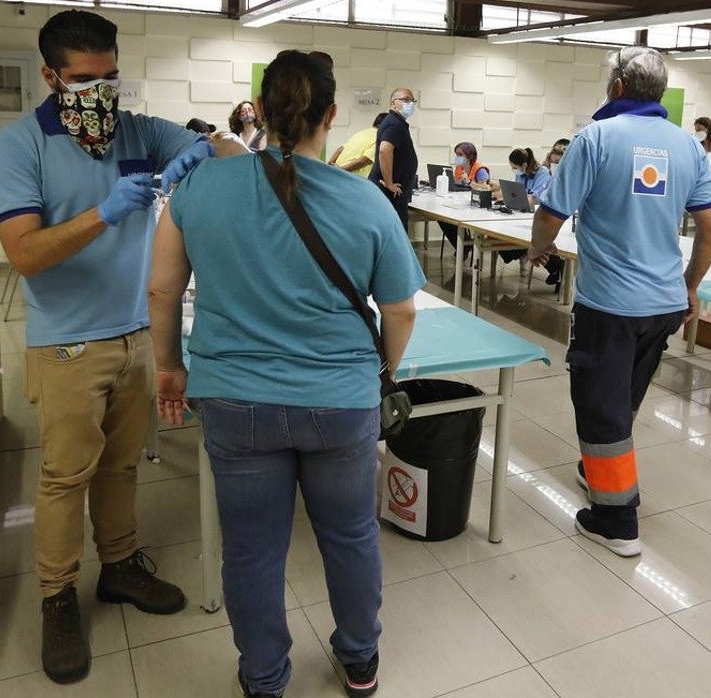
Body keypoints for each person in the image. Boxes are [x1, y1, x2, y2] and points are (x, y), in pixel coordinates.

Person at [148, 50, 425, 698]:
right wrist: (378, 371)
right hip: (339, 405)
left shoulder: (197, 190)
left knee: (250, 550)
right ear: (330, 115)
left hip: (234, 403)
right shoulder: (365, 202)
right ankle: (360, 662)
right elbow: (402, 309)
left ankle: (264, 677)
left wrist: (168, 368)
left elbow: (162, 293)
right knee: (351, 537)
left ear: (261, 114)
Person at [0, 9, 210, 685]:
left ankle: (119, 567)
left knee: (121, 468)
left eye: (112, 75)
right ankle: (57, 598)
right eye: (85, 80)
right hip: (66, 346)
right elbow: (24, 254)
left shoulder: (137, 130)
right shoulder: (18, 145)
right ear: (50, 75)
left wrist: (212, 146)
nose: (102, 92)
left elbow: (222, 146)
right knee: (64, 476)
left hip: (137, 333)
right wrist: (103, 213)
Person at [528, 46, 711, 556]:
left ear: (617, 87)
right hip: (663, 303)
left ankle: (616, 519)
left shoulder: (595, 138)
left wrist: (538, 250)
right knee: (624, 397)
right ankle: (598, 469)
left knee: (599, 403)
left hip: (610, 303)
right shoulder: (687, 146)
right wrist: (690, 285)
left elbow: (551, 214)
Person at [492, 147, 564, 283]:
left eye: (515, 167)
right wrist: (504, 195)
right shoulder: (520, 174)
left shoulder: (542, 173)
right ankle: (525, 252)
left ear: (524, 165)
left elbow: (535, 198)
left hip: (538, 215)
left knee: (531, 238)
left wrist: (512, 196)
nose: (515, 171)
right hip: (521, 213)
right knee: (503, 234)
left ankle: (556, 267)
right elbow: (516, 193)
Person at [369, 86, 418, 230]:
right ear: (393, 103)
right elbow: (385, 150)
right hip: (389, 192)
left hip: (392, 192)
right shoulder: (395, 124)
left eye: (412, 100)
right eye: (405, 100)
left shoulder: (396, 122)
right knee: (396, 232)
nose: (410, 104)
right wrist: (389, 183)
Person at [438, 142, 491, 256]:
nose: (457, 157)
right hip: (462, 203)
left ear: (470, 156)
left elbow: (486, 188)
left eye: (460, 154)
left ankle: (465, 246)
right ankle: (462, 246)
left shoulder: (480, 169)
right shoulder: (459, 168)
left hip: (477, 206)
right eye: (456, 154)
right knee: (443, 219)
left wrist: (469, 181)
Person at [328, 112, 386, 178]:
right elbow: (363, 161)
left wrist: (330, 166)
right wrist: (340, 170)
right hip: (350, 178)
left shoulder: (361, 133)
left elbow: (340, 149)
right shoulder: (380, 138)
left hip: (338, 173)